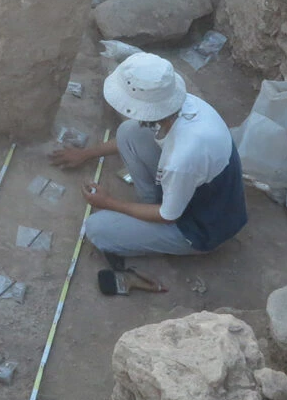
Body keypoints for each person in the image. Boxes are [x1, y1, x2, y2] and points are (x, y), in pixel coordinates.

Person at [51, 52, 246, 270]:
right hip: (204, 193)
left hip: (203, 227)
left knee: (97, 228)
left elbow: (168, 216)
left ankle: (188, 245)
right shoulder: (185, 106)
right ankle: (148, 205)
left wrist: (108, 203)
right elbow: (130, 137)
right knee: (128, 132)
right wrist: (85, 154)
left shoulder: (181, 158)